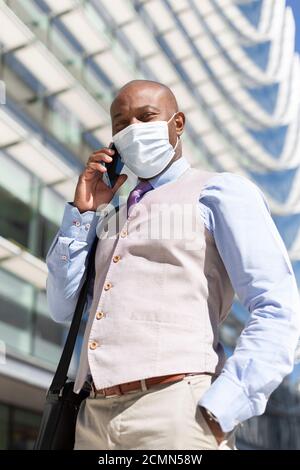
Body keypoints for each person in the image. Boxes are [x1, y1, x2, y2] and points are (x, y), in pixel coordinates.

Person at [46, 80, 300, 450]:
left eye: (146, 117)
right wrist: (83, 215)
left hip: (176, 409)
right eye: (121, 124)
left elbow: (278, 306)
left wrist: (221, 408)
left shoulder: (219, 191)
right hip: (92, 419)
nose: (132, 129)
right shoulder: (107, 219)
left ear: (177, 123)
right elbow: (60, 306)